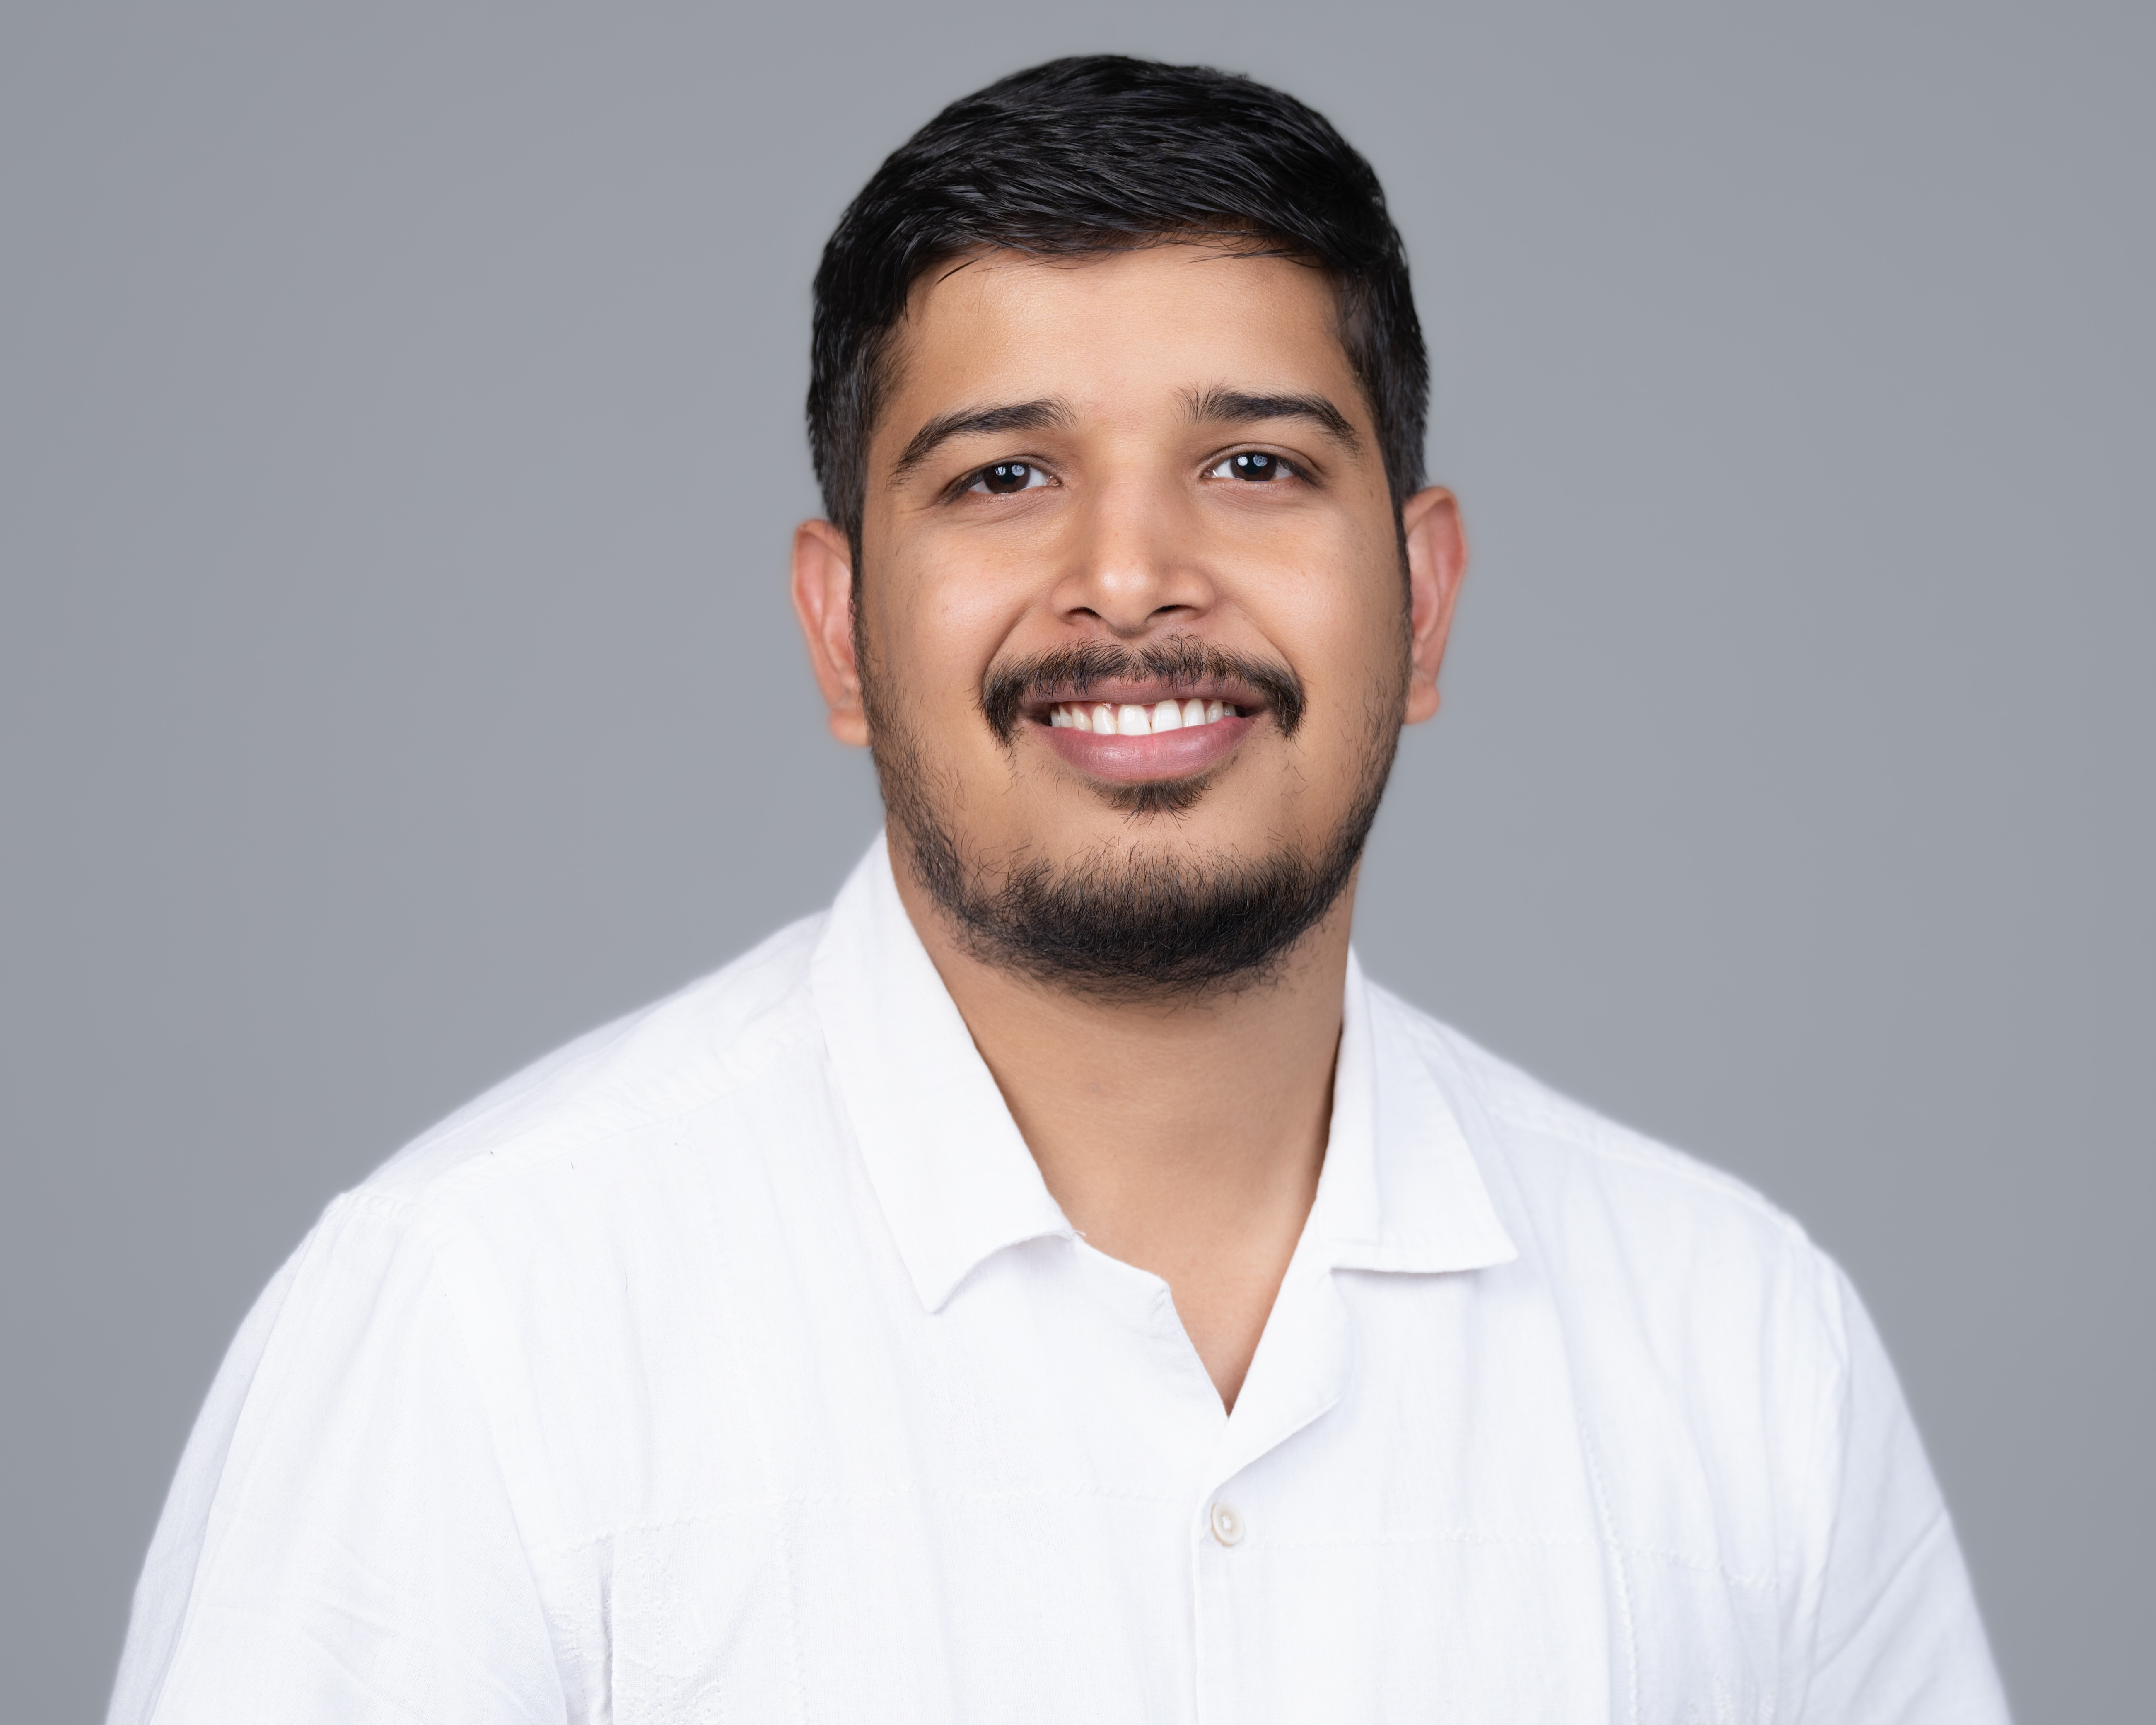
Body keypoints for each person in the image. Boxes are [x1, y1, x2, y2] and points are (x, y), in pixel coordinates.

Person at [109, 55, 2009, 1724]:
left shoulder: (1745, 1350)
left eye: (1253, 461)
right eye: (1007, 476)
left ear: (1422, 599)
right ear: (840, 627)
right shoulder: (485, 1324)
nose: (1132, 577)